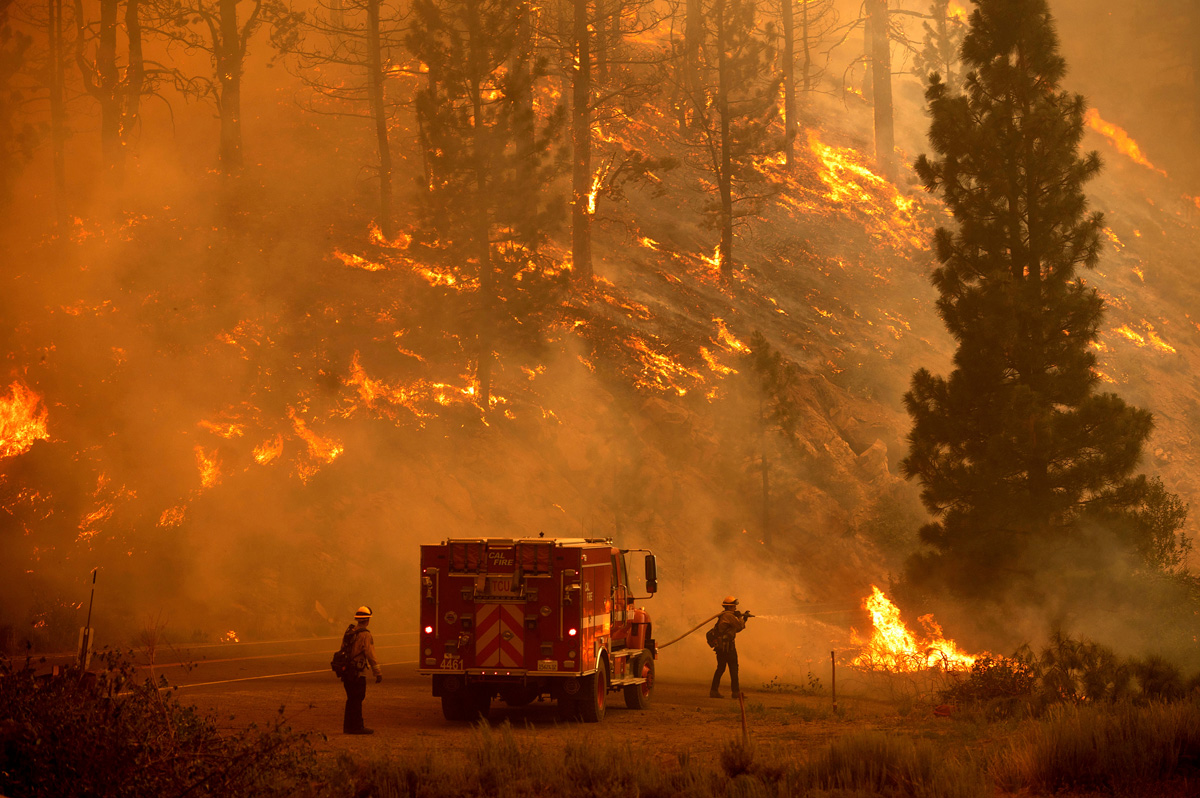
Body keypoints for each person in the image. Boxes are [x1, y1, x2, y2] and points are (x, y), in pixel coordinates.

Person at [342, 605, 383, 734]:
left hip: (347, 671)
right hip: (358, 673)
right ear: (367, 620)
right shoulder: (365, 635)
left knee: (351, 699)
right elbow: (370, 655)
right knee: (358, 698)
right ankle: (357, 727)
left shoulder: (349, 632)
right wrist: (377, 672)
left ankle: (348, 726)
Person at [709, 595, 747, 698]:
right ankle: (735, 693)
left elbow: (736, 629)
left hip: (722, 647)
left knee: (721, 668)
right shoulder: (729, 616)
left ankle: (714, 691)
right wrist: (740, 617)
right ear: (729, 607)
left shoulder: (724, 615)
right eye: (734, 606)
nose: (735, 608)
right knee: (733, 668)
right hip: (727, 647)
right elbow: (739, 626)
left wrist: (744, 620)